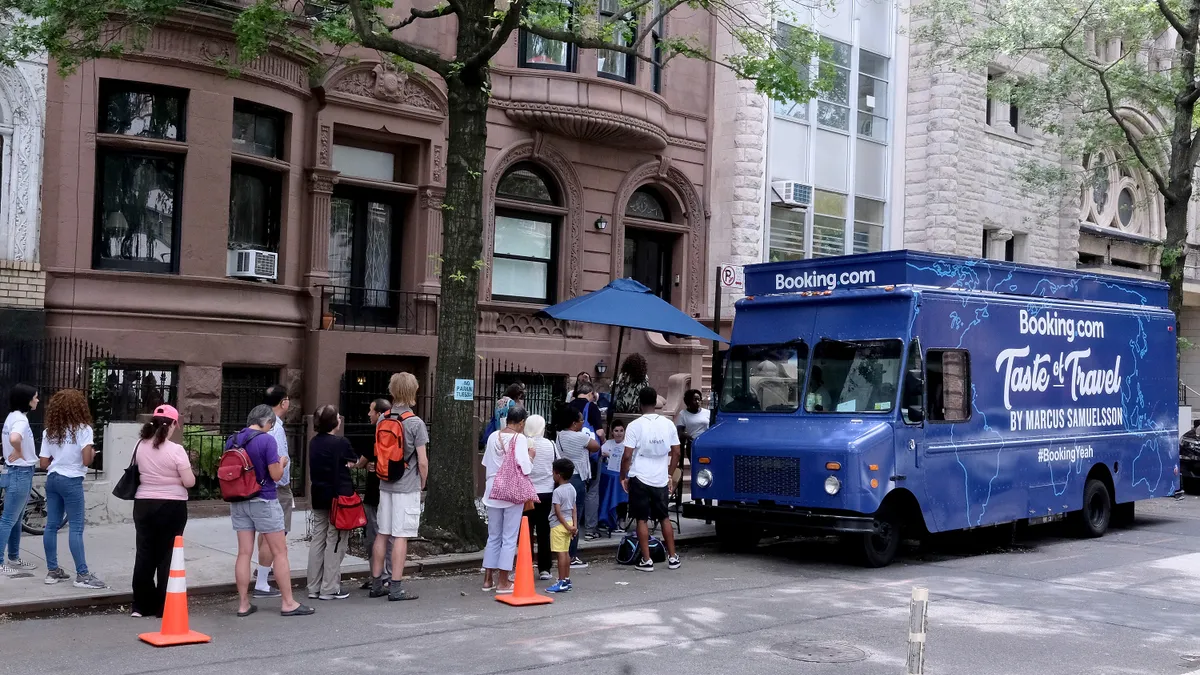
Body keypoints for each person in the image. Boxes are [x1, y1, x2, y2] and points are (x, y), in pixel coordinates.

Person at [229, 404, 313, 617]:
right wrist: (283, 462)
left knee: (244, 553)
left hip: (239, 500)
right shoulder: (267, 440)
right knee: (280, 552)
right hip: (264, 500)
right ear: (267, 422)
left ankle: (243, 604)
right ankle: (288, 603)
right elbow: (275, 475)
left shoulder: (233, 439)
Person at [368, 372, 428, 602]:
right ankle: (395, 587)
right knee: (401, 536)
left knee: (382, 533)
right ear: (414, 391)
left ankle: (376, 583)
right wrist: (423, 482)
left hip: (385, 484)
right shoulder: (415, 423)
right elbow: (422, 460)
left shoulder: (383, 419)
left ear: (392, 391)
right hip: (406, 485)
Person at [131, 405, 195, 618]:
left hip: (143, 504)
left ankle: (140, 606)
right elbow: (189, 481)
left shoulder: (139, 445)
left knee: (144, 552)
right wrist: (175, 479)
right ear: (174, 424)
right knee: (168, 555)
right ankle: (163, 607)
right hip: (171, 505)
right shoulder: (176, 450)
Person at [39, 389, 105, 588]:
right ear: (79, 408)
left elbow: (43, 462)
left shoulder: (49, 431)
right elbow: (85, 461)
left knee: (51, 525)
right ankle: (82, 575)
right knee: (76, 527)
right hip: (72, 479)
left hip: (53, 478)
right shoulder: (84, 429)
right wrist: (92, 453)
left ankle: (53, 571)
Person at [620, 387, 681, 572]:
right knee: (664, 517)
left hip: (640, 474)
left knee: (641, 519)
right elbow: (676, 452)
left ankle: (646, 560)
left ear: (640, 403)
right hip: (660, 476)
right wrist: (669, 473)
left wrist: (624, 476)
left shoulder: (634, 425)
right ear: (656, 403)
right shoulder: (668, 423)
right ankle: (672, 557)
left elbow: (627, 455)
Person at [307, 405, 363, 600]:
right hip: (339, 497)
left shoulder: (314, 442)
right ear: (334, 422)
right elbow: (353, 461)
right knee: (336, 540)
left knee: (318, 539)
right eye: (338, 417)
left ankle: (313, 585)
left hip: (319, 494)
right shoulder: (341, 442)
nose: (340, 419)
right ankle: (329, 587)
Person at [481, 405, 533, 594]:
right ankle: (503, 581)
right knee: (509, 537)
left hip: (492, 489)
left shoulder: (494, 436)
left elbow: (486, 463)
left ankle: (488, 579)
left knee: (493, 536)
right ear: (521, 422)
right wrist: (531, 456)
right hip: (511, 492)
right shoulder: (520, 439)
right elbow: (526, 468)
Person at [253, 384, 292, 599]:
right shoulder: (275, 427)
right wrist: (283, 463)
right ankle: (262, 582)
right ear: (283, 402)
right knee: (273, 536)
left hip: (264, 487)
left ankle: (262, 570)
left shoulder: (262, 423)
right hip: (276, 487)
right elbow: (274, 462)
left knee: (265, 534)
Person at [1, 383, 39, 576]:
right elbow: (15, 438)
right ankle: (1, 561)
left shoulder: (13, 417)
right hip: (20, 472)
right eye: (35, 397)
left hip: (15, 472)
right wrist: (18, 450)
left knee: (15, 519)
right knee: (9, 518)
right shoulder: (21, 421)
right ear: (27, 400)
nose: (37, 400)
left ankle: (14, 557)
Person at [555, 408, 600, 568]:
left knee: (562, 517)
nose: (583, 423)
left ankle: (562, 551)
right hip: (577, 478)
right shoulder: (580, 437)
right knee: (575, 517)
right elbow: (595, 446)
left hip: (562, 479)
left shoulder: (559, 436)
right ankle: (572, 555)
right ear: (574, 423)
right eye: (581, 420)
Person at [359, 398, 392, 589]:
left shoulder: (376, 434)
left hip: (374, 493)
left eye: (371, 411)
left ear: (379, 413)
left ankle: (378, 575)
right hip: (391, 491)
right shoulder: (397, 433)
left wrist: (354, 464)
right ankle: (384, 574)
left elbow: (361, 462)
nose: (369, 414)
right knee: (389, 534)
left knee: (374, 535)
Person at [568, 382, 604, 541]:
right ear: (591, 393)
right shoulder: (592, 407)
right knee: (592, 492)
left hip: (568, 454)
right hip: (589, 455)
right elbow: (599, 432)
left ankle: (569, 527)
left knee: (569, 492)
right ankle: (590, 529)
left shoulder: (568, 407)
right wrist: (602, 442)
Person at [523, 414, 555, 581]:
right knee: (544, 531)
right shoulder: (550, 444)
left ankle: (525, 565)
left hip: (526, 493)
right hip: (546, 491)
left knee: (525, 531)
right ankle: (545, 568)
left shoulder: (522, 444)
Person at [546, 458, 577, 594]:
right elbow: (574, 508)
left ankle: (561, 581)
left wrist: (566, 526)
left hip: (559, 525)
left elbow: (557, 512)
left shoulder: (557, 492)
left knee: (561, 554)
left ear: (558, 474)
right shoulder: (572, 489)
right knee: (566, 552)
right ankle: (567, 579)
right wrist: (573, 526)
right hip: (570, 522)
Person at [599, 420, 629, 529]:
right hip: (609, 474)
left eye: (621, 430)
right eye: (616, 431)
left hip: (623, 475)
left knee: (622, 489)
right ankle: (606, 517)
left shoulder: (627, 445)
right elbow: (600, 452)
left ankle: (622, 517)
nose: (619, 433)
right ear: (612, 432)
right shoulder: (608, 443)